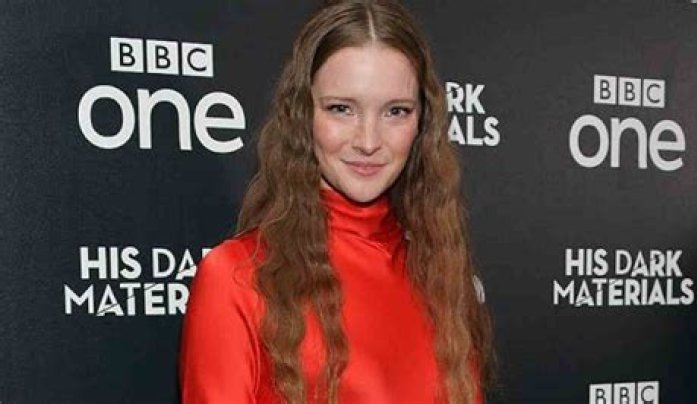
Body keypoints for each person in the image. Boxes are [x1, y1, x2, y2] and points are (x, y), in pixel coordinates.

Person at [179, 0, 494, 403]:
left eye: (396, 111)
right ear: (302, 115)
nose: (368, 140)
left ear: (422, 123)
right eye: (341, 109)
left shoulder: (442, 276)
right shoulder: (237, 278)